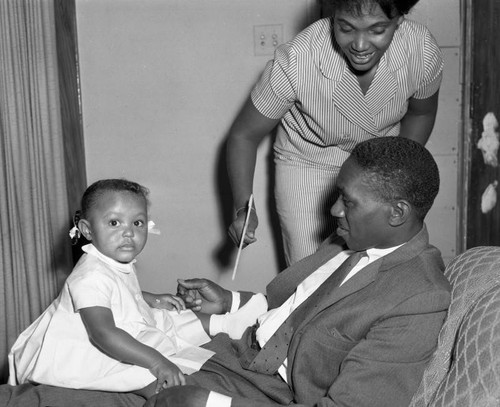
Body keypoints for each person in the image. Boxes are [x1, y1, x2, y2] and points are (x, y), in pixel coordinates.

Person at [146, 136, 451, 407]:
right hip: (235, 356)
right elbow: (297, 310)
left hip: (267, 394)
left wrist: (211, 403)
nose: (334, 210)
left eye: (348, 201)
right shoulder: (352, 238)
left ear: (397, 213)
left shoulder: (419, 299)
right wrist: (231, 302)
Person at [227, 0, 444, 266]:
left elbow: (421, 114)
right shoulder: (298, 59)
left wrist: (396, 176)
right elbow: (244, 136)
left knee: (380, 265)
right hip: (309, 161)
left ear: (398, 21)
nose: (360, 45)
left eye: (377, 30)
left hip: (378, 164)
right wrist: (243, 209)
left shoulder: (421, 49)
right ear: (333, 17)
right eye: (346, 28)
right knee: (308, 273)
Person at [7, 179, 267, 398]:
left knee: (170, 315)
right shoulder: (88, 276)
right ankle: (185, 397)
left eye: (137, 223)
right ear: (87, 230)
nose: (128, 233)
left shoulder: (113, 260)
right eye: (114, 223)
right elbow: (103, 334)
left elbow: (118, 293)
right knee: (141, 369)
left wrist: (152, 299)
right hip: (93, 343)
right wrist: (157, 361)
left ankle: (229, 325)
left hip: (114, 323)